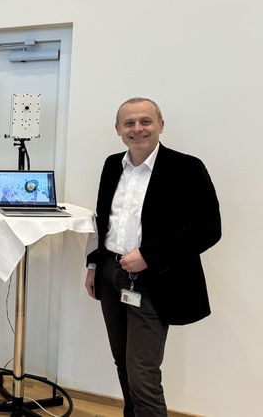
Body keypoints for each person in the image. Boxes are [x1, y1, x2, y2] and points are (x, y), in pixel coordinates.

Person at [84, 97, 221, 416]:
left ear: (161, 125)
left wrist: (149, 255)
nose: (137, 129)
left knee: (142, 373)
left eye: (145, 121)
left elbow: (208, 229)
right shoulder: (110, 164)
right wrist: (93, 264)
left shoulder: (186, 168)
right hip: (110, 274)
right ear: (118, 129)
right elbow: (103, 219)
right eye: (129, 123)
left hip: (154, 280)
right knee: (123, 363)